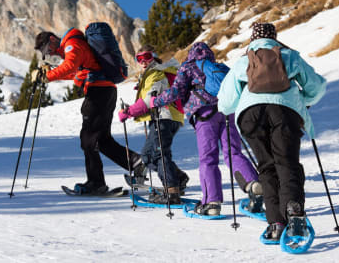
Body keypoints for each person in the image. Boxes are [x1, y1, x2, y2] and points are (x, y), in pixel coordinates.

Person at [217, 22, 327, 241]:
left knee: (267, 166)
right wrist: (301, 101)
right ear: (274, 37)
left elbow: (226, 103)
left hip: (250, 116)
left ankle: (276, 223)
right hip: (285, 113)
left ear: (252, 38)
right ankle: (294, 213)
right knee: (287, 163)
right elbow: (317, 86)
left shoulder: (243, 61)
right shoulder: (288, 55)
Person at [150, 42, 261, 216]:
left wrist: (155, 101)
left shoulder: (188, 66)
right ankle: (253, 183)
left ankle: (212, 203)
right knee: (233, 152)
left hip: (204, 114)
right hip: (227, 111)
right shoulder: (220, 66)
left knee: (208, 158)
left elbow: (176, 91)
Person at [32, 27, 146, 194]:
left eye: (47, 49)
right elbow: (75, 73)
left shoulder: (72, 44)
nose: (50, 54)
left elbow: (70, 66)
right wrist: (49, 75)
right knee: (101, 139)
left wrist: (46, 77)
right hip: (105, 92)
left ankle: (96, 183)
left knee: (88, 139)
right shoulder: (76, 46)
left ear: (53, 40)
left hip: (98, 93)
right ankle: (134, 162)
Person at [118, 45, 189, 204]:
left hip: (164, 117)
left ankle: (171, 192)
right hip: (165, 117)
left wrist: (128, 112)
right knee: (148, 156)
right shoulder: (151, 73)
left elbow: (148, 101)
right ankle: (178, 178)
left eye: (147, 56)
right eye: (139, 58)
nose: (143, 61)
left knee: (158, 154)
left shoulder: (156, 73)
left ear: (154, 56)